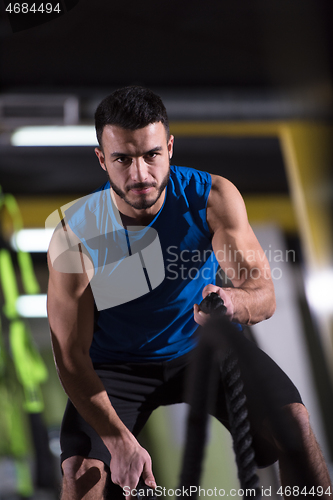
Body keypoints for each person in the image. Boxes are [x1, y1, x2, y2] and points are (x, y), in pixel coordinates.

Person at [47, 86, 332, 500]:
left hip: (204, 346)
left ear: (170, 148)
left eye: (152, 155)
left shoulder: (211, 197)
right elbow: (71, 356)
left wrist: (235, 302)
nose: (140, 174)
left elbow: (263, 294)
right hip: (116, 367)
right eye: (123, 159)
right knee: (82, 474)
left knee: (294, 426)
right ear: (101, 159)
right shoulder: (74, 232)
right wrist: (118, 441)